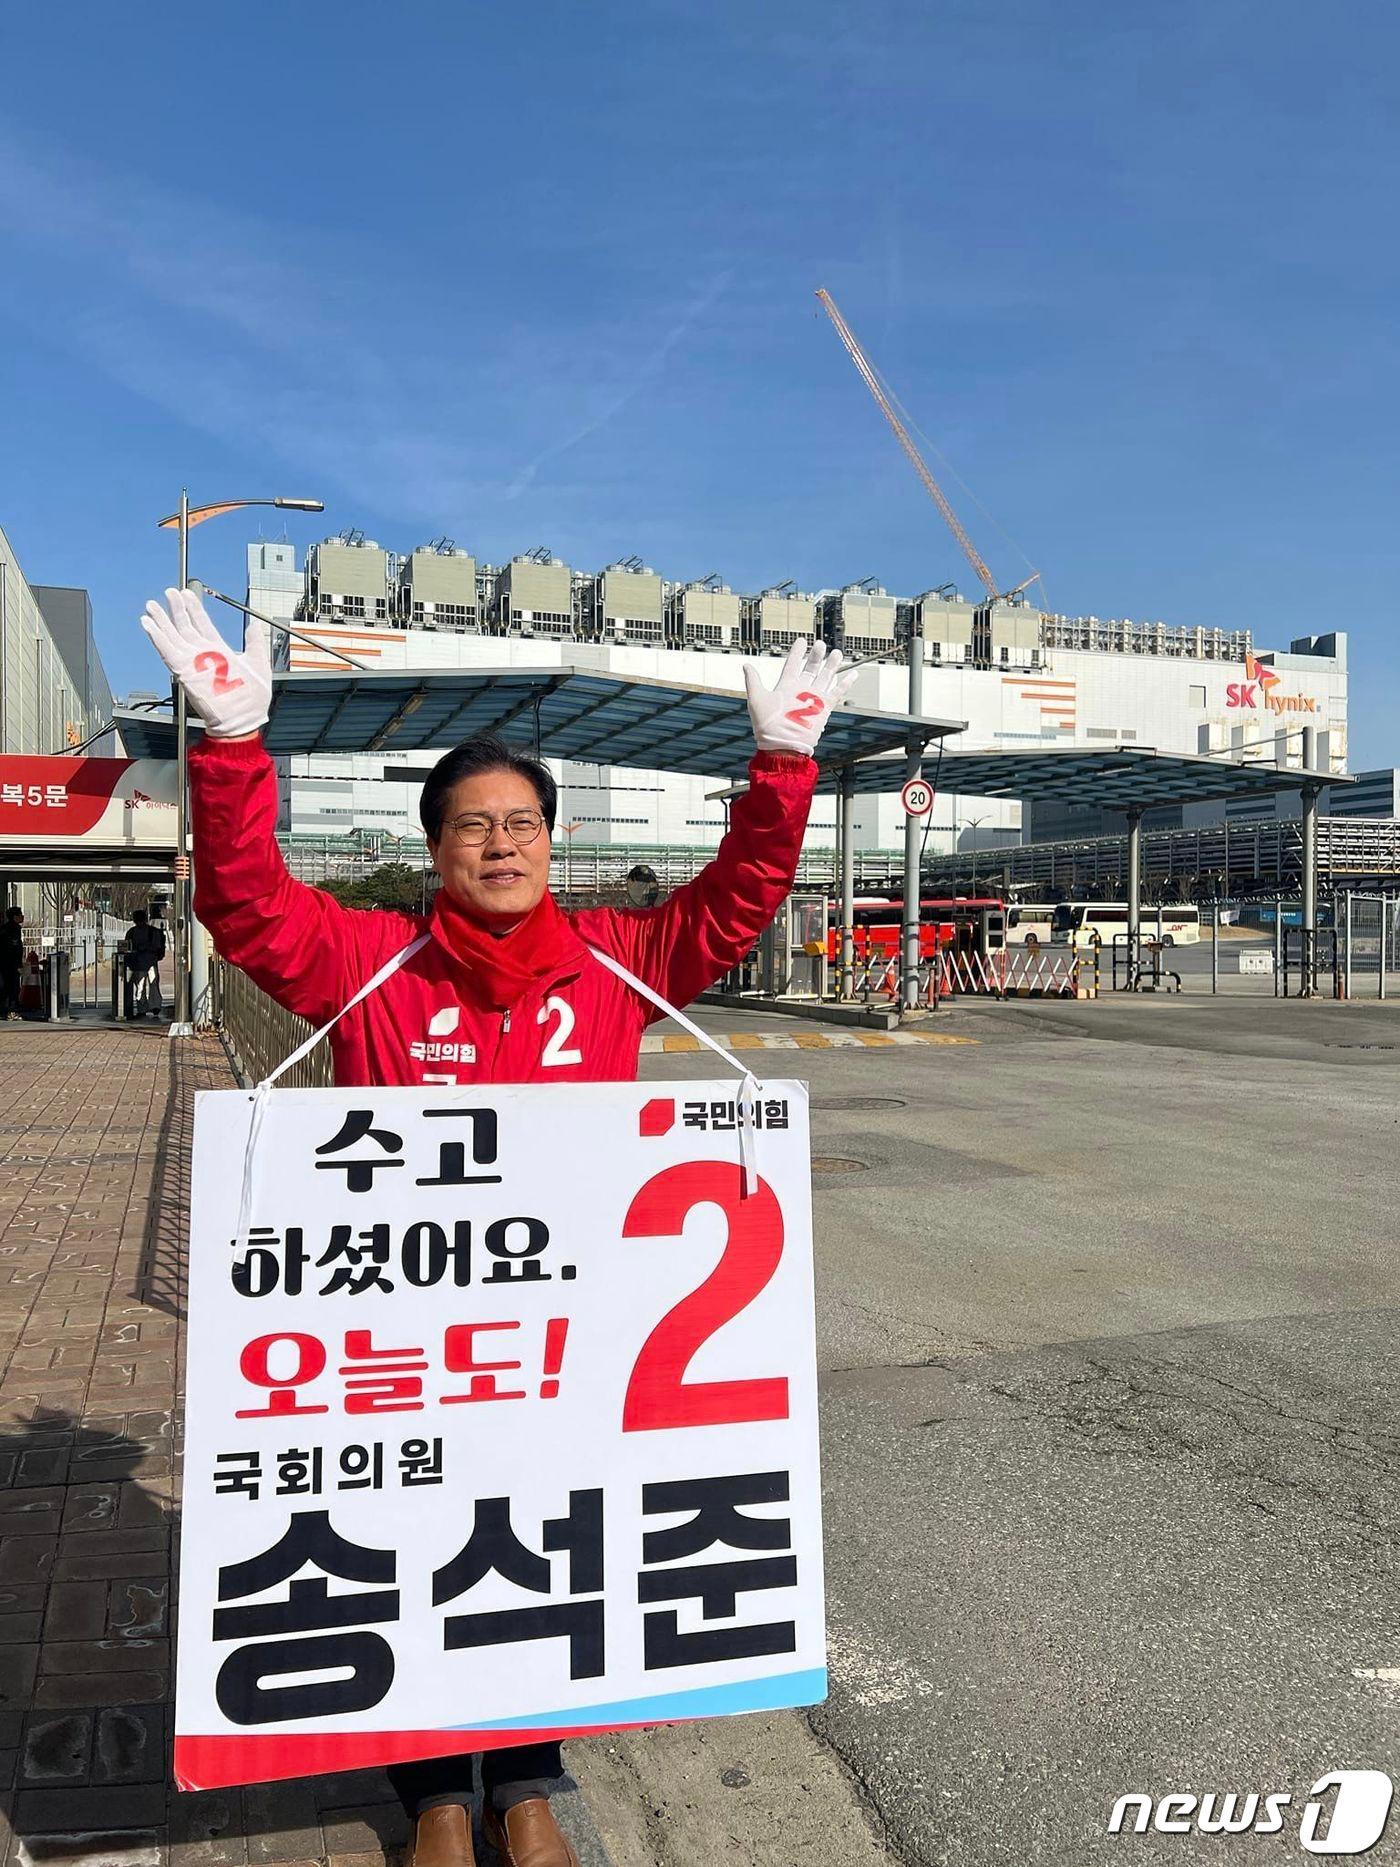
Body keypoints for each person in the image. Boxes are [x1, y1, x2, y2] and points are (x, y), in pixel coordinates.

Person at [141, 585, 856, 1867]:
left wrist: (782, 769)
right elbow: (246, 907)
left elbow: (736, 905)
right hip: (405, 1338)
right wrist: (236, 745)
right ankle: (430, 1793)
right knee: (416, 1533)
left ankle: (526, 1773)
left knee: (539, 1531)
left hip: (570, 1332)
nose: (502, 844)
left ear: (550, 838)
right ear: (435, 851)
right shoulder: (362, 961)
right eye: (473, 825)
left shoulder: (620, 962)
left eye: (522, 823)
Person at [122, 908, 167, 1017]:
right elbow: (157, 946)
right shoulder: (153, 931)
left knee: (140, 986)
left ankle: (142, 1009)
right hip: (151, 962)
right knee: (153, 984)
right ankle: (155, 1006)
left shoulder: (131, 932)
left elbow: (126, 947)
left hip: (138, 963)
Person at [0, 907, 24, 1020]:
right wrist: (18, 964)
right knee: (13, 988)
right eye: (20, 914)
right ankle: (12, 1011)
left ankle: (4, 1011)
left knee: (5, 987)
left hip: (3, 963)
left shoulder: (3, 928)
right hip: (11, 964)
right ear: (15, 917)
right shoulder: (14, 929)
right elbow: (15, 948)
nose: (22, 916)